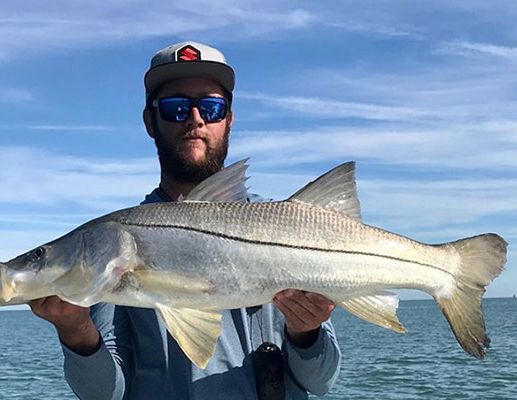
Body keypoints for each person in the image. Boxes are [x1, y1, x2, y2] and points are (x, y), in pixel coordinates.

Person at [29, 41, 341, 400]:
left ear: (229, 120)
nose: (195, 120)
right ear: (150, 121)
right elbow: (106, 394)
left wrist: (307, 332)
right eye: (176, 108)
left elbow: (321, 383)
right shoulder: (112, 243)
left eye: (211, 107)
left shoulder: (287, 228)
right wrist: (76, 333)